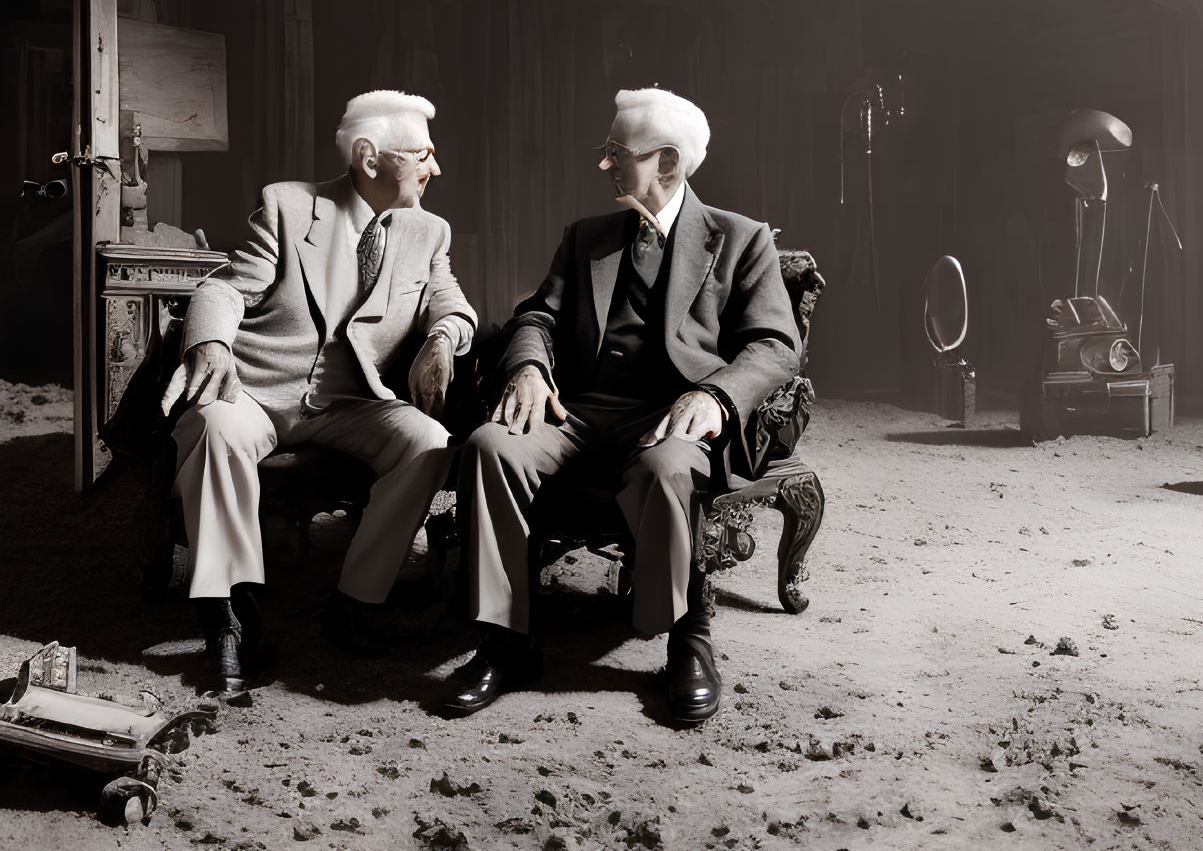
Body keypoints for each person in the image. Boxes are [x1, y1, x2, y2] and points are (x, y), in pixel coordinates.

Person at [443, 87, 799, 724]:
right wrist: (527, 365)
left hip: (670, 414)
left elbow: (774, 346)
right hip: (573, 411)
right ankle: (507, 639)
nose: (604, 165)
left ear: (667, 163)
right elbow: (536, 317)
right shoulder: (586, 238)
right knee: (488, 446)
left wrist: (716, 396)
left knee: (667, 470)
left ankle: (687, 640)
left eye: (616, 153)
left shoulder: (741, 240)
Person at [161, 90, 475, 704]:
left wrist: (442, 336)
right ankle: (228, 614)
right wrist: (215, 345)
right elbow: (223, 289)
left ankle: (356, 604)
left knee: (429, 441)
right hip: (257, 390)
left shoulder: (428, 232)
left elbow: (454, 306)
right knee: (215, 427)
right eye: (423, 156)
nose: (435, 169)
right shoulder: (287, 205)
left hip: (352, 403)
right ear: (368, 156)